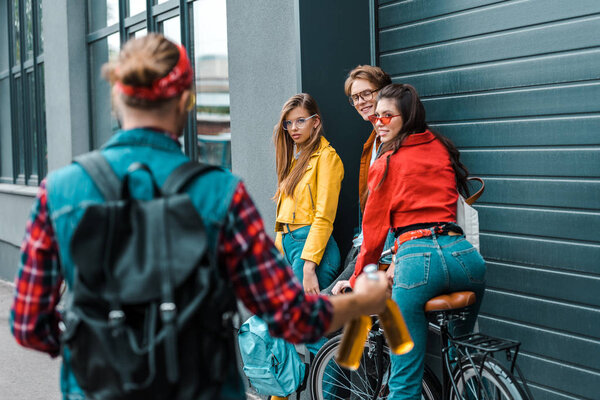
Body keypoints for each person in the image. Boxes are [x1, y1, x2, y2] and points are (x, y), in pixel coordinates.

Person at [9, 34, 389, 400]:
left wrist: (92, 340)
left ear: (116, 98)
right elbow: (291, 317)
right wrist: (360, 303)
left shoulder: (59, 191)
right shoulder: (220, 194)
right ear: (185, 101)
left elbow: (28, 325)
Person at [342, 83, 486, 399]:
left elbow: (374, 233)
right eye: (376, 116)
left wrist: (357, 279)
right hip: (467, 260)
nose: (378, 123)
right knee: (462, 358)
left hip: (419, 265)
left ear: (406, 117)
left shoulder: (386, 161)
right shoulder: (441, 146)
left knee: (405, 379)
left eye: (387, 116)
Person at [270, 94, 343, 400]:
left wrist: (309, 264)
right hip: (289, 246)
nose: (294, 128)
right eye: (289, 123)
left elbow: (324, 216)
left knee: (316, 335)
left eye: (300, 120)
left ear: (316, 122)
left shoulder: (327, 159)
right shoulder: (296, 158)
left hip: (311, 249)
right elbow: (282, 220)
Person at [328, 65, 395, 294]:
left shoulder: (395, 141)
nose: (360, 101)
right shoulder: (373, 141)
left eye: (366, 93)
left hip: (382, 252)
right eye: (355, 97)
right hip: (363, 246)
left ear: (384, 91)